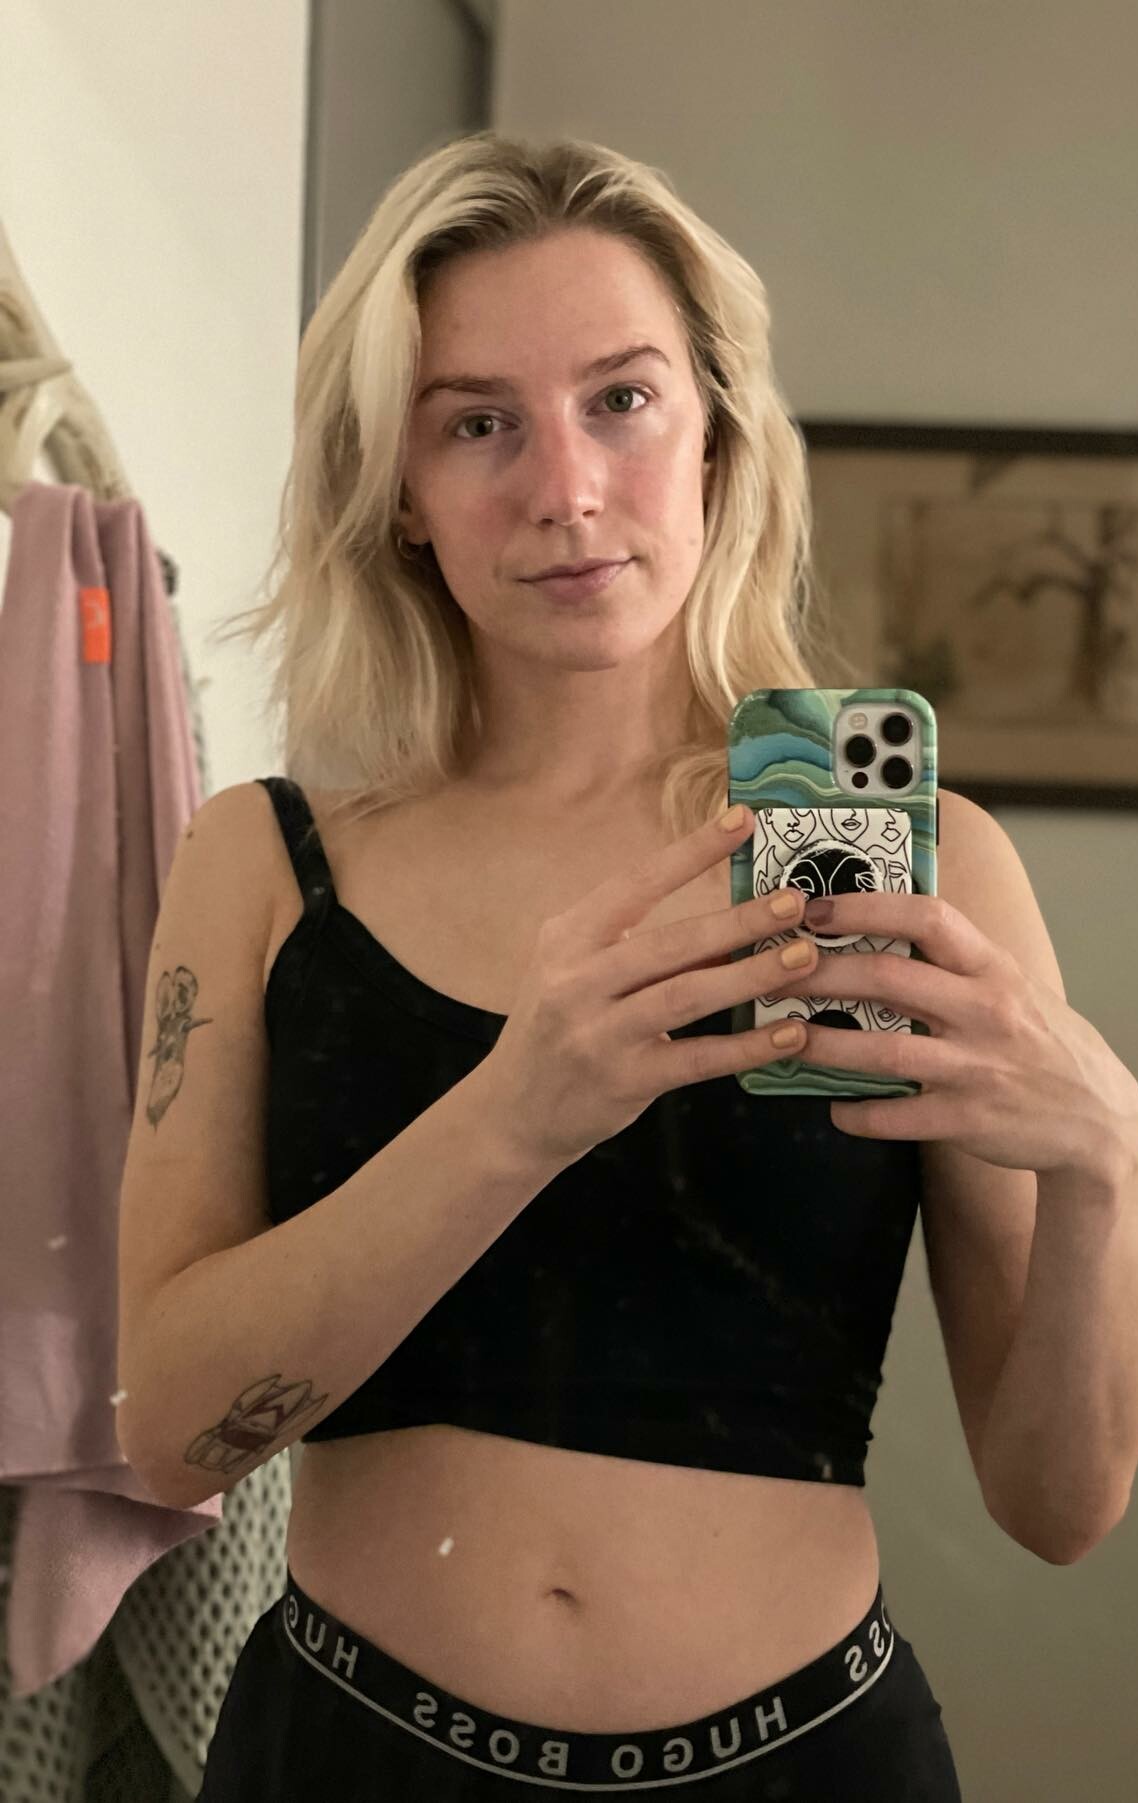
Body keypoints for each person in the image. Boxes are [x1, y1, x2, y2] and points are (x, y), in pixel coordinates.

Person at [116, 130, 965, 1798]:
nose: (566, 489)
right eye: (478, 423)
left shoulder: (912, 867)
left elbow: (1066, 1502)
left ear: (718, 429)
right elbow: (170, 1437)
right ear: (401, 491)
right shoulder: (266, 865)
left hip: (809, 1759)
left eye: (623, 399)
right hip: (354, 1752)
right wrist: (515, 1114)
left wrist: (1106, 1155)